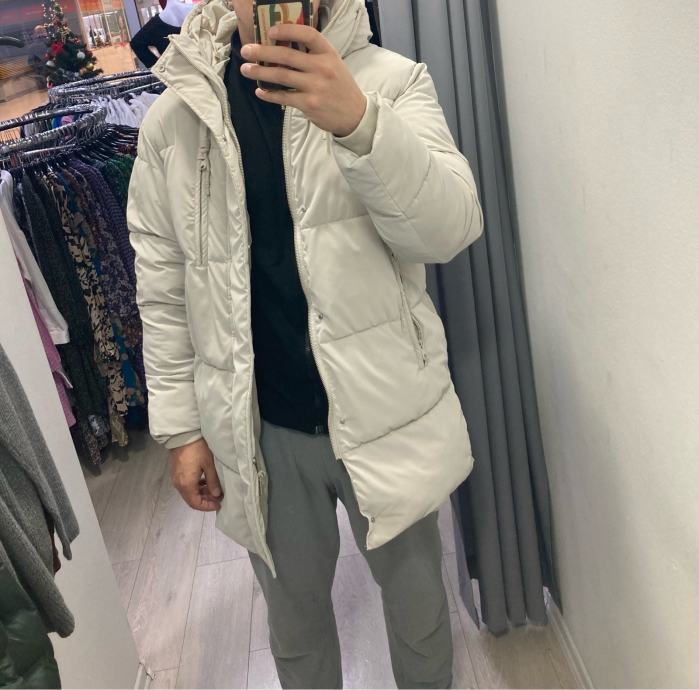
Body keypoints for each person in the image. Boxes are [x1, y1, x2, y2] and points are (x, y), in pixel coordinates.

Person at [126, 0, 484, 687]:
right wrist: (182, 430)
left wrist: (361, 124)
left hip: (386, 410)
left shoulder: (390, 81)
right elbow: (163, 288)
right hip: (260, 429)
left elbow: (449, 230)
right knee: (294, 629)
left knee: (419, 615)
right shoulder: (174, 122)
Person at [129, 0, 194, 68]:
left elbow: (136, 43)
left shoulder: (155, 26)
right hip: (184, 68)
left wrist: (158, 66)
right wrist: (157, 65)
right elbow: (136, 43)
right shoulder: (155, 26)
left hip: (179, 69)